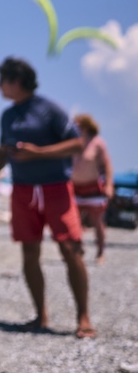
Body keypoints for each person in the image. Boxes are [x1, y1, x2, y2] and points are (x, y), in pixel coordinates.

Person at [0, 57, 95, 339]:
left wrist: (39, 153)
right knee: (29, 252)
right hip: (23, 190)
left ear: (17, 81)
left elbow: (77, 143)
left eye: (2, 80)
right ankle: (39, 315)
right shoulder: (8, 115)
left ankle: (83, 317)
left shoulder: (48, 109)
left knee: (70, 248)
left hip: (56, 188)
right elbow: (3, 150)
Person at [71, 113, 114, 264]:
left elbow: (107, 166)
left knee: (97, 221)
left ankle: (100, 252)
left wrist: (109, 185)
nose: (75, 128)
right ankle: (77, 250)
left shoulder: (97, 143)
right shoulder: (72, 142)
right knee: (74, 220)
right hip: (75, 187)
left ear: (87, 127)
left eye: (79, 126)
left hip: (93, 187)